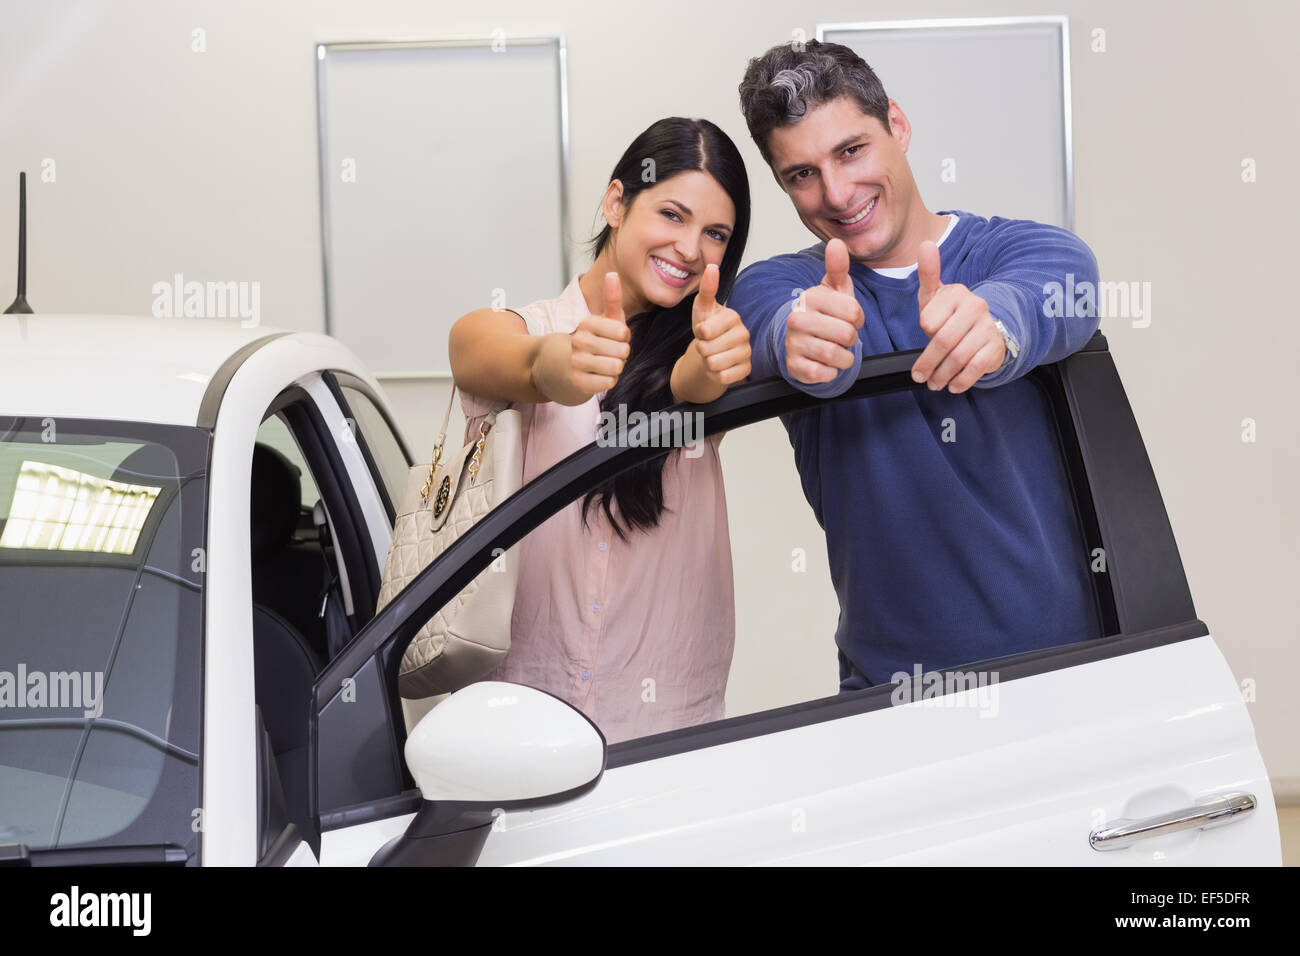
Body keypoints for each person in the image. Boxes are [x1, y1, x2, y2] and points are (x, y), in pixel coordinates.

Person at [729, 40, 1104, 691]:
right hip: (887, 690)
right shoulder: (784, 287)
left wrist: (1000, 323)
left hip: (1063, 674)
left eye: (851, 151)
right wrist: (805, 340)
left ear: (897, 125)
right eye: (802, 174)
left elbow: (1067, 282)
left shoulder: (1017, 252)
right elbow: (766, 322)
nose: (838, 193)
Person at [448, 117, 752, 743]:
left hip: (664, 723)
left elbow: (699, 386)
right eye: (672, 214)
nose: (691, 249)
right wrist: (553, 365)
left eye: (715, 233)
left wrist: (700, 370)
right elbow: (479, 351)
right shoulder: (521, 327)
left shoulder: (714, 343)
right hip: (524, 718)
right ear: (617, 202)